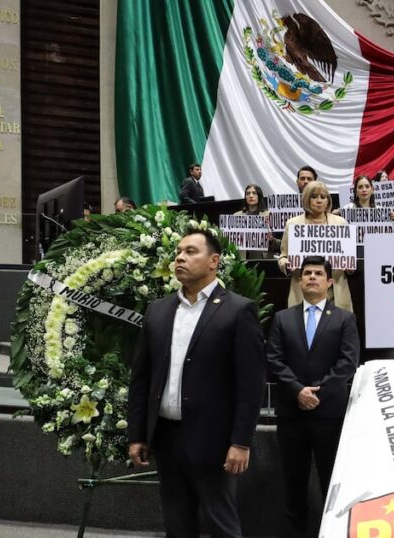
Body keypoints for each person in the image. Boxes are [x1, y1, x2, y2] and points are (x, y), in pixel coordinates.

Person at [128, 229, 266, 538]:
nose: (180, 257)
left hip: (214, 440)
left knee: (221, 524)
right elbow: (142, 378)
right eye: (178, 251)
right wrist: (137, 434)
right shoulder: (158, 309)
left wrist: (241, 441)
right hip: (166, 437)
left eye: (191, 252)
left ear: (213, 261)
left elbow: (251, 384)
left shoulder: (238, 310)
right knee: (177, 524)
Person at [266, 255, 360, 538]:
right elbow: (273, 359)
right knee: (293, 484)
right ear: (299, 280)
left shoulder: (344, 318)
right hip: (291, 415)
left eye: (318, 274)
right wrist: (298, 390)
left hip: (329, 414)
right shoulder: (283, 318)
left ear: (329, 282)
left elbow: (348, 362)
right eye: (306, 273)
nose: (311, 278)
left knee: (332, 482)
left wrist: (317, 392)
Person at [278, 181, 353, 311]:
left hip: (334, 292)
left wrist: (350, 267)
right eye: (314, 197)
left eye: (323, 197)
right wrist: (287, 265)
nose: (319, 201)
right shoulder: (292, 224)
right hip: (303, 293)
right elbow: (283, 257)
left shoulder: (340, 222)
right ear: (306, 199)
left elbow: (348, 258)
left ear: (328, 201)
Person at [233, 184, 277, 260]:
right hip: (242, 258)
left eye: (254, 193)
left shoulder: (269, 215)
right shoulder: (236, 216)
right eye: (248, 193)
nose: (251, 196)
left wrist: (271, 240)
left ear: (259, 196)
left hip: (262, 258)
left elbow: (278, 243)